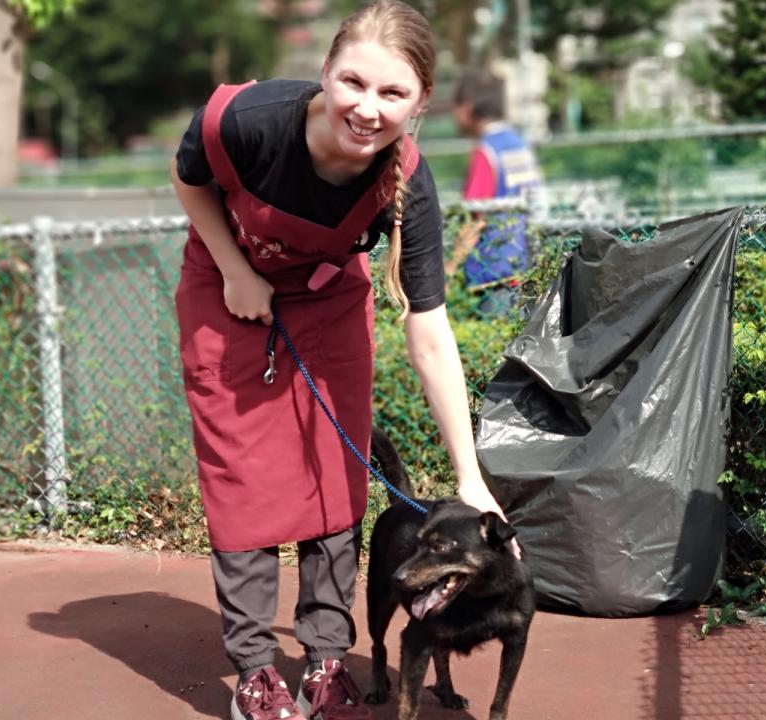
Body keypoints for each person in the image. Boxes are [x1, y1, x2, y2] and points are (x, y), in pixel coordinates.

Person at [170, 2, 513, 718]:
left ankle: (326, 654)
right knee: (245, 484)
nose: (366, 108)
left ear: (420, 104)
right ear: (324, 71)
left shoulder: (407, 184)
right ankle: (257, 670)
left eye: (393, 94)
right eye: (352, 82)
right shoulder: (248, 121)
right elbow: (191, 179)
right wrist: (235, 269)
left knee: (334, 474)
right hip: (230, 291)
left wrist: (469, 477)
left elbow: (429, 332)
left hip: (327, 302)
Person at [444, 68, 542, 314]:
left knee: (498, 350)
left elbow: (475, 218)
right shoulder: (518, 145)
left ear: (467, 107)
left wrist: (449, 269)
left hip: (494, 276)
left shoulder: (486, 151)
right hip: (525, 265)